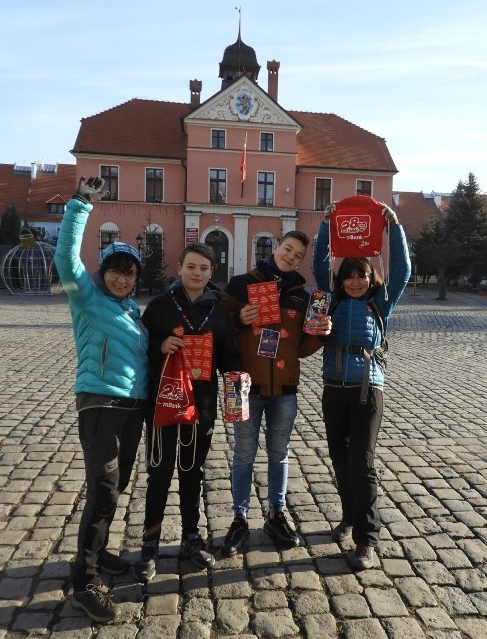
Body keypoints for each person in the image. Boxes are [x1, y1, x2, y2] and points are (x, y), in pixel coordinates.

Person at [54, 176, 149, 622]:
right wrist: (79, 207)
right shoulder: (86, 299)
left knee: (115, 487)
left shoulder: (133, 312)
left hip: (133, 410)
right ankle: (85, 580)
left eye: (129, 272)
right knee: (104, 488)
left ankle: (99, 552)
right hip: (99, 405)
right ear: (104, 271)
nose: (122, 277)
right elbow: (66, 260)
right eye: (115, 268)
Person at [133, 243, 241, 581]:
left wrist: (238, 379)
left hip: (203, 406)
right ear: (179, 268)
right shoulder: (161, 306)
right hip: (164, 402)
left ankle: (191, 538)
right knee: (160, 474)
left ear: (211, 273)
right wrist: (159, 344)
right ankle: (150, 543)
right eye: (191, 267)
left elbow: (228, 355)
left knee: (192, 473)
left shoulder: (220, 310)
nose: (197, 273)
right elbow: (140, 347)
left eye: (204, 269)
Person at [312, 202, 411, 570]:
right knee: (339, 458)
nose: (356, 281)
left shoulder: (380, 304)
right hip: (333, 388)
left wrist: (394, 226)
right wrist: (326, 223)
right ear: (342, 279)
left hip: (368, 389)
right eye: (350, 276)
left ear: (371, 279)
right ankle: (350, 515)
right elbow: (319, 262)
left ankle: (367, 540)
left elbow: (402, 271)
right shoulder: (332, 299)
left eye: (362, 276)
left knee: (363, 462)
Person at [220, 231, 331, 556]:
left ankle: (276, 514)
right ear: (276, 247)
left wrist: (322, 334)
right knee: (243, 456)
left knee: (279, 454)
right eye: (288, 249)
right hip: (245, 387)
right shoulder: (241, 283)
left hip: (285, 390)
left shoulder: (301, 295)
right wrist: (238, 318)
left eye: (298, 255)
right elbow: (220, 328)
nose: (291, 257)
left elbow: (303, 346)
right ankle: (239, 519)